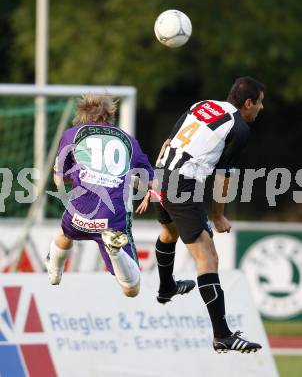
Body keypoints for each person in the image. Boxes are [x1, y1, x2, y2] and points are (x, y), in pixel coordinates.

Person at [137, 77, 264, 353]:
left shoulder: (202, 105)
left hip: (162, 172)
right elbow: (222, 177)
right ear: (248, 103)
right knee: (208, 257)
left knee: (169, 232)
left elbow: (170, 140)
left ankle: (167, 286)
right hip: (181, 182)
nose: (261, 109)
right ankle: (222, 335)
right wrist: (218, 216)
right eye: (260, 103)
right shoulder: (239, 127)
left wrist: (155, 182)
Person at [46, 93, 154, 297]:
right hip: (111, 219)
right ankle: (116, 251)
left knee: (64, 233)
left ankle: (54, 273)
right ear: (110, 115)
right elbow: (150, 181)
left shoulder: (72, 134)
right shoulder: (129, 141)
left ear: (82, 114)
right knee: (132, 290)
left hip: (80, 213)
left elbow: (59, 178)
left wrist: (79, 177)